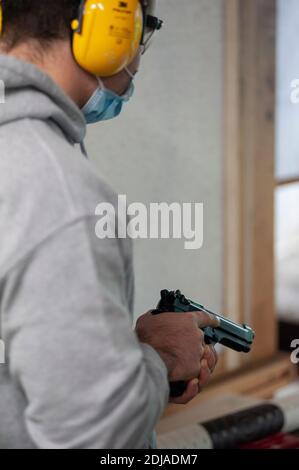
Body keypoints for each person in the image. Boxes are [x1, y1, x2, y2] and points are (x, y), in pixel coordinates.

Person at [0, 0, 218, 449]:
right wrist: (159, 360)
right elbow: (96, 437)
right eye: (145, 29)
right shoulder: (56, 189)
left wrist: (116, 362)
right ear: (110, 29)